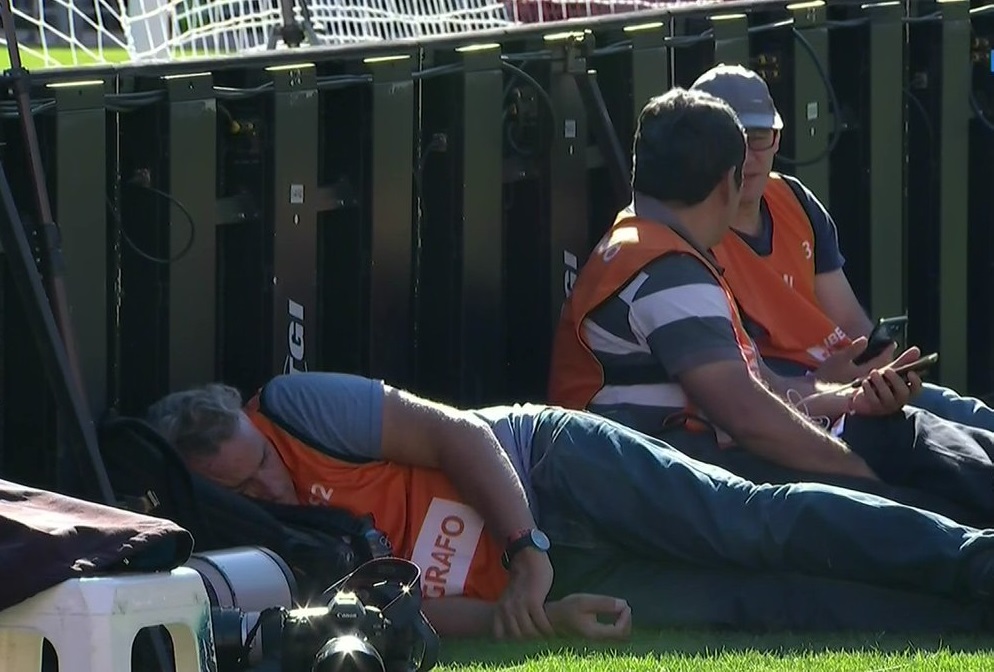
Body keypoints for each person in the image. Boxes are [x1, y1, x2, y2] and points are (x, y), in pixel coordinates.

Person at [148, 369, 994, 639]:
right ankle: (960, 622)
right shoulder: (260, 545)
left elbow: (457, 438)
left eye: (261, 464)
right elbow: (398, 618)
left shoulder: (296, 405)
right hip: (544, 578)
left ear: (256, 427)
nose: (270, 485)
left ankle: (972, 561)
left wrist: (526, 549)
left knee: (749, 521)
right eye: (243, 488)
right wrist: (544, 612)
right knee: (747, 601)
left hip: (549, 466)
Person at [546, 87, 994, 526]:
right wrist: (862, 476)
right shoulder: (668, 273)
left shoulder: (646, 246)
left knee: (906, 433)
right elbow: (748, 418)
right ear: (728, 183)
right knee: (911, 462)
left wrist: (853, 403)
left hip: (667, 470)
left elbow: (767, 391)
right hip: (673, 481)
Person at [689, 63, 994, 432]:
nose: (746, 157)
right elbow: (752, 383)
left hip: (848, 382)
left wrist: (877, 362)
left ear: (777, 139)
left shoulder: (795, 200)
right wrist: (826, 382)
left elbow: (849, 318)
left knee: (961, 412)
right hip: (799, 407)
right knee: (940, 438)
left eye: (757, 137)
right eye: (730, 141)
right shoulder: (693, 235)